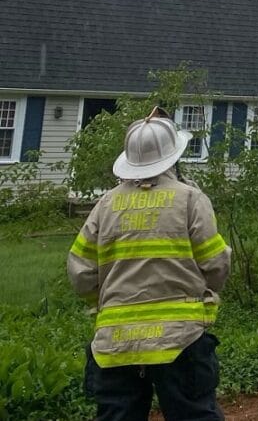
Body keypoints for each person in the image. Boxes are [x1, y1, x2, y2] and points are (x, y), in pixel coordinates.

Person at [68, 112, 232, 421]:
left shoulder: (105, 205)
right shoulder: (190, 199)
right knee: (193, 415)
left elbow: (81, 273)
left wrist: (106, 303)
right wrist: (204, 294)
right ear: (174, 157)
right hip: (181, 338)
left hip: (116, 342)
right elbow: (216, 264)